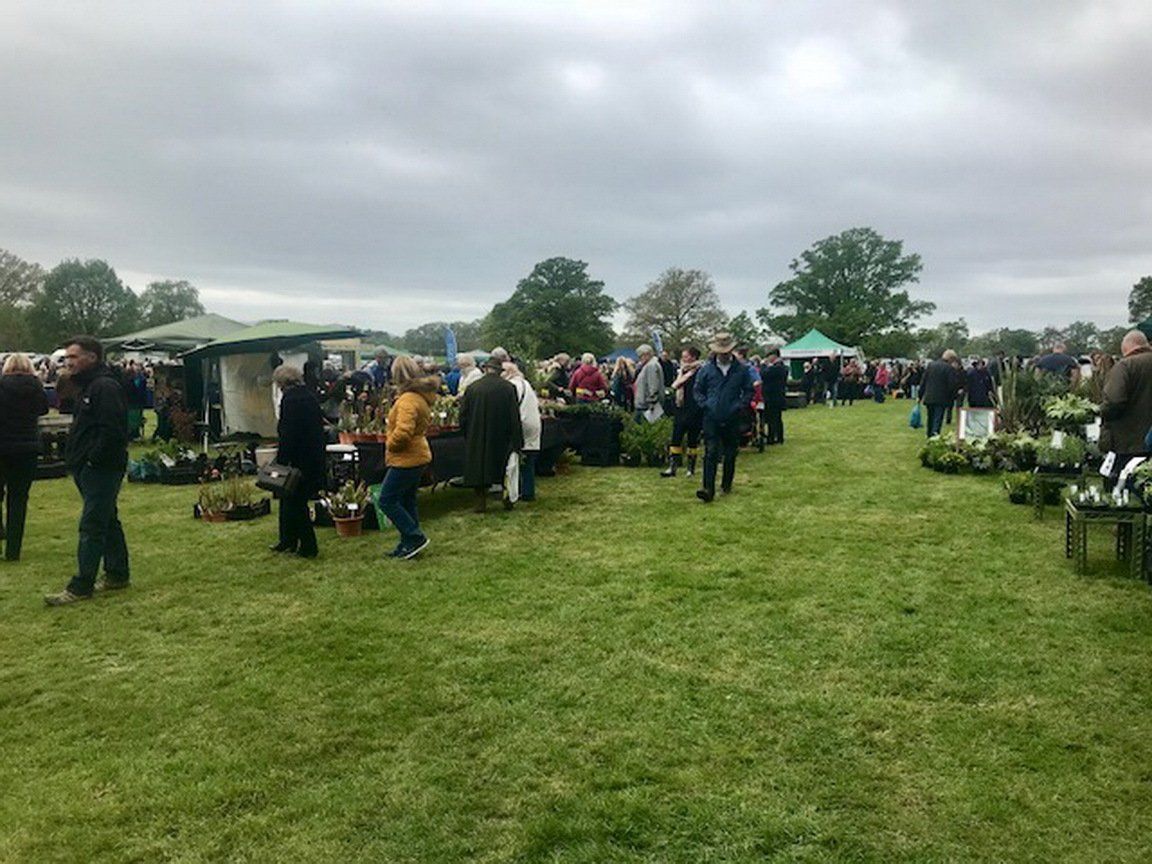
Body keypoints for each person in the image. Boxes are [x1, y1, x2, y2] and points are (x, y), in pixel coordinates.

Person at [45, 336, 131, 605]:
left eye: (73, 357)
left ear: (92, 358)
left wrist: (94, 460)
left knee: (92, 524)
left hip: (101, 468)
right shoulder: (86, 386)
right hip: (88, 466)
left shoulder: (104, 387)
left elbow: (112, 430)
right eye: (66, 357)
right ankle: (117, 573)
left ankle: (81, 585)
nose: (67, 362)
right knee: (107, 519)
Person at [379, 356, 438, 559]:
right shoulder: (419, 397)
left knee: (386, 500)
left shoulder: (407, 400)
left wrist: (391, 444)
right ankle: (408, 543)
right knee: (406, 500)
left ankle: (414, 536)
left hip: (406, 457)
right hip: (418, 454)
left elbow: (404, 431)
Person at [270, 365, 325, 558]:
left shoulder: (290, 400)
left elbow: (288, 433)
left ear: (281, 383)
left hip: (298, 457)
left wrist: (281, 460)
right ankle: (288, 539)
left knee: (295, 502)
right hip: (313, 455)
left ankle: (308, 546)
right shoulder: (309, 395)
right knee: (289, 499)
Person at [693, 333, 754, 503]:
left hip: (733, 417)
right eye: (721, 351)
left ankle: (726, 484)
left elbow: (749, 390)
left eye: (726, 351)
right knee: (710, 452)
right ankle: (708, 488)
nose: (724, 354)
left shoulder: (741, 369)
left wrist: (740, 405)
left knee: (730, 453)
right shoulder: (706, 369)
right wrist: (705, 404)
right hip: (711, 417)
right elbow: (697, 390)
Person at [0, 353, 48, 562]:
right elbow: (43, 409)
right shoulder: (36, 387)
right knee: (18, 498)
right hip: (27, 447)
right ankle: (13, 550)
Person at [460, 357, 523, 512]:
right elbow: (514, 417)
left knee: (479, 467)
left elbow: (463, 416)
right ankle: (507, 498)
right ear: (500, 371)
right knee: (505, 468)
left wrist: (468, 433)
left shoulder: (472, 388)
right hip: (501, 435)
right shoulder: (508, 388)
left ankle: (480, 502)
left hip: (477, 434)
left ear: (486, 369)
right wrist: (517, 441)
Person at [1100, 330, 1152, 458]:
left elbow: (1114, 401)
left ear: (1125, 348)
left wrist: (1102, 412)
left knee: (1126, 476)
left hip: (1128, 441)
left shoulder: (1124, 366)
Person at [660, 346, 704, 477]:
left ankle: (691, 468)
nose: (683, 359)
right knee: (675, 438)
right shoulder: (681, 371)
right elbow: (676, 385)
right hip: (680, 408)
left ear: (693, 357)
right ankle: (673, 467)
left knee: (692, 440)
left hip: (694, 409)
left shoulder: (699, 371)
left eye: (685, 356)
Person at [503, 361, 542, 501]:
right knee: (528, 458)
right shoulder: (525, 383)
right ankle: (527, 491)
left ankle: (520, 491)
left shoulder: (513, 385)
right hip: (533, 423)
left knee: (519, 460)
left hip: (523, 424)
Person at [919, 349, 962, 438]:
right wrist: (954, 396)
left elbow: (923, 381)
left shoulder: (931, 365)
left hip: (929, 397)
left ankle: (929, 435)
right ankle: (935, 436)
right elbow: (952, 385)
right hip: (941, 398)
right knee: (937, 419)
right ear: (951, 359)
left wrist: (920, 395)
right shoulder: (949, 368)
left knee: (930, 418)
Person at [761, 348, 788, 445]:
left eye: (769, 356)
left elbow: (764, 374)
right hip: (776, 395)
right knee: (776, 417)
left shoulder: (777, 367)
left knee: (773, 418)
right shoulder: (780, 367)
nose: (768, 358)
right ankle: (778, 437)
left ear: (774, 356)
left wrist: (763, 365)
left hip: (773, 396)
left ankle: (772, 438)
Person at [633, 343, 665, 423]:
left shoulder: (651, 365)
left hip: (646, 406)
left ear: (646, 354)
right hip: (646, 405)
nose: (639, 359)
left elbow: (653, 386)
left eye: (640, 356)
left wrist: (652, 403)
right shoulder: (651, 365)